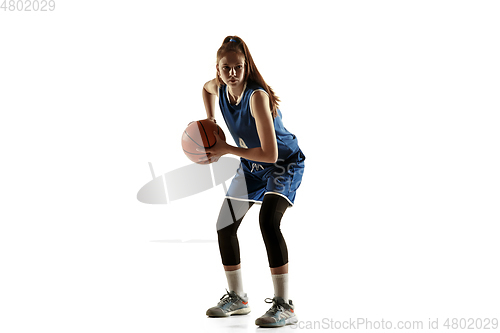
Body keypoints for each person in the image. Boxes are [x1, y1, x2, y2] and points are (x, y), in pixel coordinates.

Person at [200, 36, 305, 328]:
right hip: (251, 165)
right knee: (225, 224)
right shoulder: (218, 86)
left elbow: (271, 154)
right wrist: (210, 120)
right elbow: (205, 88)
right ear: (219, 69)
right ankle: (238, 298)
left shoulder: (257, 96)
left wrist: (225, 149)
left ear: (247, 67)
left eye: (238, 67)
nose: (232, 73)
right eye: (226, 68)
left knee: (268, 220)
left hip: (283, 163)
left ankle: (284, 306)